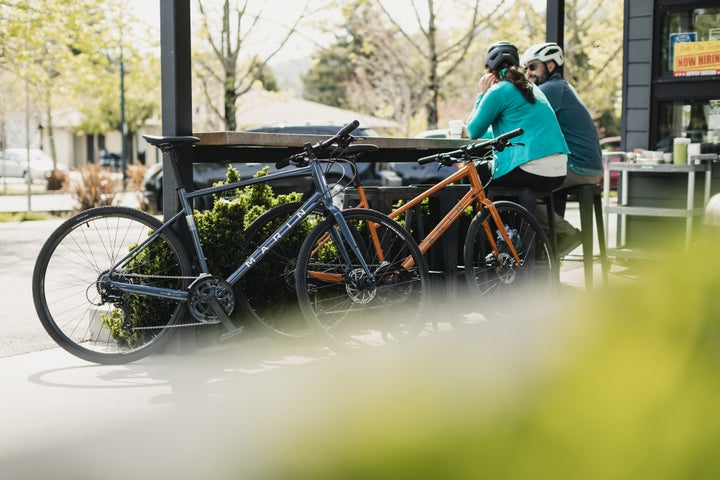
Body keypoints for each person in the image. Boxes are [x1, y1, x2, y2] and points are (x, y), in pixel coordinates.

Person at [521, 42, 604, 257]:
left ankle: (567, 235)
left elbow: (523, 121)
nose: (528, 73)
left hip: (580, 166)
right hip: (583, 165)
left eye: (532, 67)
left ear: (550, 66)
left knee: (524, 192)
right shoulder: (561, 88)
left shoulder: (551, 89)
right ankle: (548, 251)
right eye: (525, 69)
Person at [466, 41, 569, 195]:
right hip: (558, 171)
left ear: (489, 72)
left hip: (532, 170)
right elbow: (521, 131)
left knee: (471, 173)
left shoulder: (497, 91)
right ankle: (504, 217)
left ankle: (487, 219)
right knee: (486, 171)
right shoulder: (530, 87)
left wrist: (482, 94)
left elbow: (473, 131)